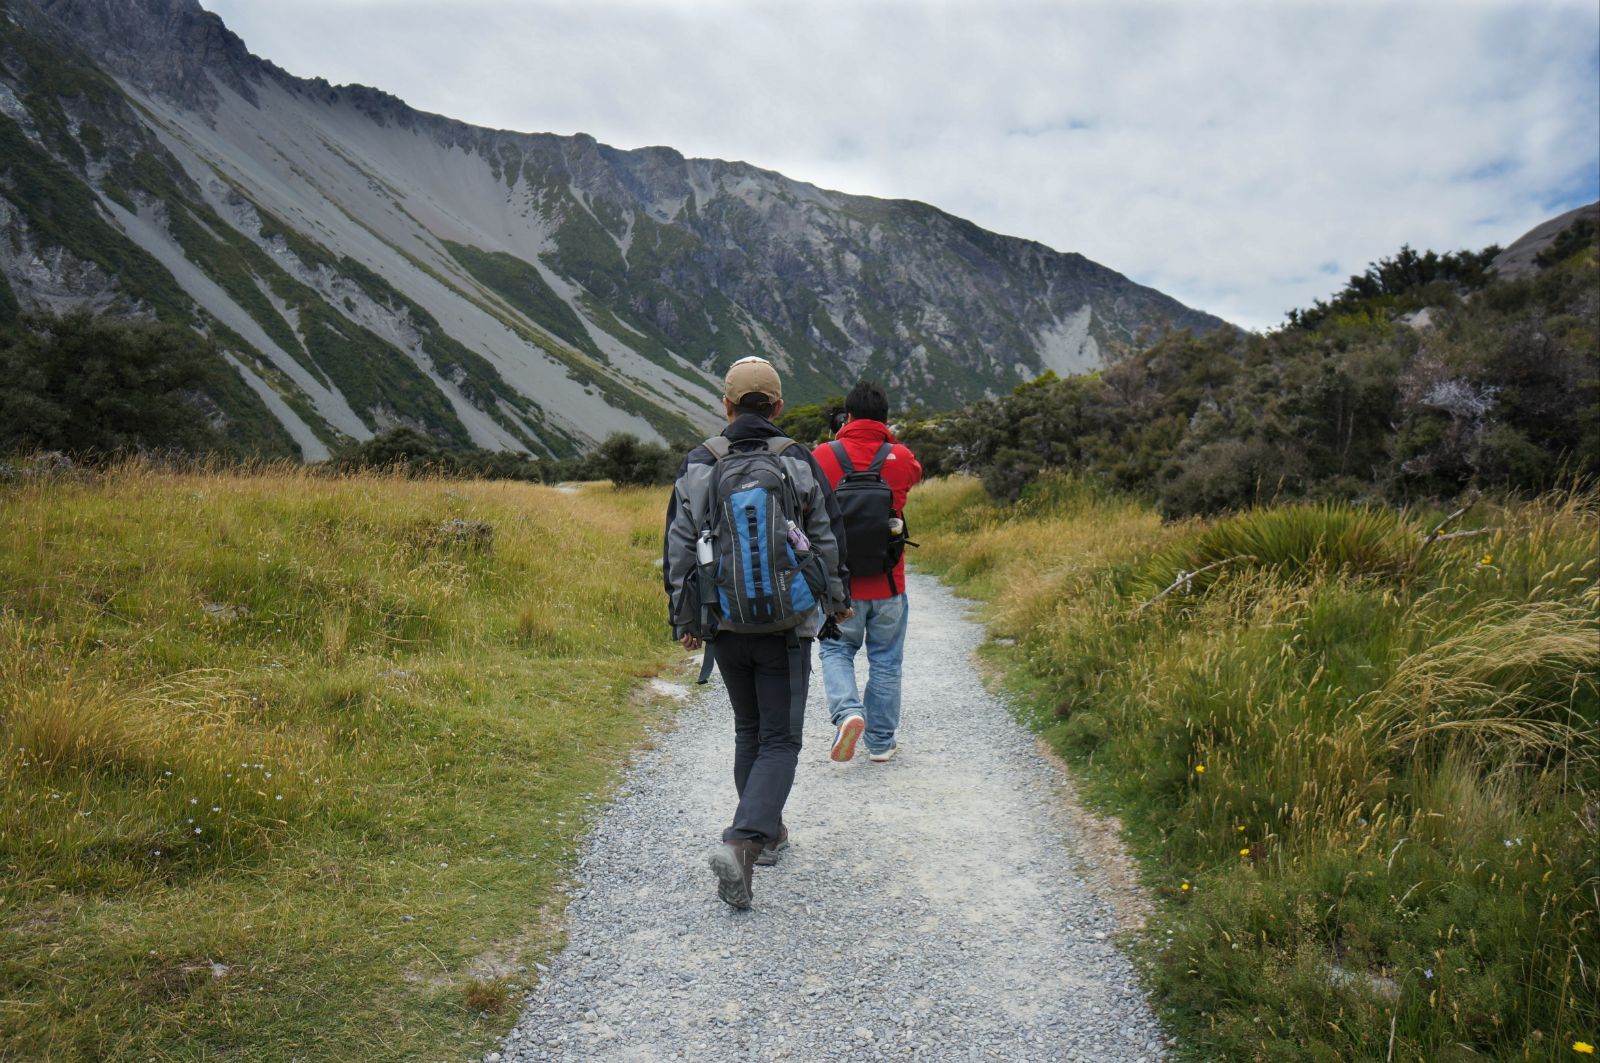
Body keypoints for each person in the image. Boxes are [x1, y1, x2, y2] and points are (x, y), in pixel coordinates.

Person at [662, 356, 851, 910]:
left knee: (749, 729)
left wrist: (686, 618)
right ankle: (746, 841)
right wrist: (835, 602)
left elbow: (678, 543)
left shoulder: (700, 462)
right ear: (778, 407)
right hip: (785, 625)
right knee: (782, 738)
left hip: (724, 620)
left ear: (726, 406)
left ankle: (768, 833)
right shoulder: (798, 459)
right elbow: (825, 535)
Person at [811, 380, 923, 763]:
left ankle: (848, 713)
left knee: (836, 649)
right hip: (889, 582)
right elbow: (913, 476)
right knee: (887, 661)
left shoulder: (824, 454)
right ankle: (880, 743)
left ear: (849, 415)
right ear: (885, 417)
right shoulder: (902, 456)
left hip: (840, 585)